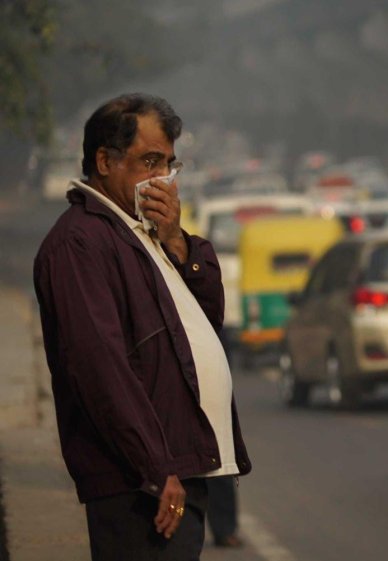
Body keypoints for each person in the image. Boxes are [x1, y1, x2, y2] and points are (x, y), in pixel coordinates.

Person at [33, 93, 251, 561]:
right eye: (150, 162)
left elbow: (206, 319)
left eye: (169, 164)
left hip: (175, 468)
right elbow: (100, 370)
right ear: (105, 162)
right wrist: (155, 468)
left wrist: (176, 240)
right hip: (139, 485)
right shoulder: (80, 243)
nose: (162, 178)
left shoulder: (140, 231)